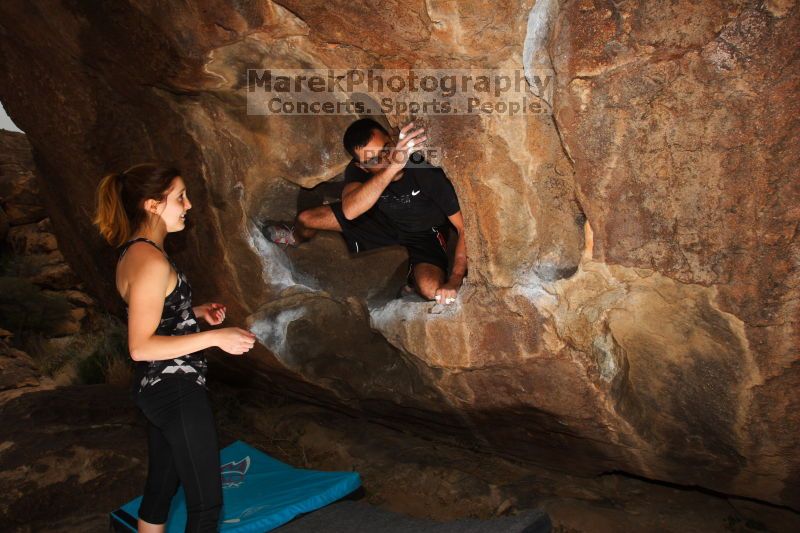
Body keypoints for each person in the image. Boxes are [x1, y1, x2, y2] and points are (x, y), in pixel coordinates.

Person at [93, 163, 256, 532]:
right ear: (152, 204)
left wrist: (193, 313)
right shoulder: (150, 261)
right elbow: (140, 346)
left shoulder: (137, 252)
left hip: (157, 388)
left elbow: (153, 315)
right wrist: (216, 337)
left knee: (161, 489)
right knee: (206, 504)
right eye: (180, 197)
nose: (189, 204)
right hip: (174, 389)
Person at [265, 118, 468, 304]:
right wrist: (392, 169)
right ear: (361, 167)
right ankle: (296, 237)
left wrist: (456, 279)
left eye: (387, 149)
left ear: (392, 138)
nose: (386, 159)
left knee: (432, 291)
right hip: (379, 219)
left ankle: (413, 279)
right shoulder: (359, 171)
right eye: (373, 160)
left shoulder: (422, 167)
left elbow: (463, 228)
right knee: (306, 219)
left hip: (425, 233)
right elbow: (351, 211)